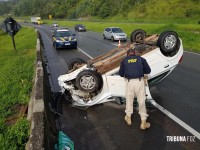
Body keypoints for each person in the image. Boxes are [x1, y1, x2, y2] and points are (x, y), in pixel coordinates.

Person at [119, 48, 151, 130]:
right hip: (140, 82)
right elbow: (148, 70)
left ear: (127, 54)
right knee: (141, 101)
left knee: (129, 100)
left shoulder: (124, 60)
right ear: (134, 53)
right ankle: (143, 122)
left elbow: (121, 74)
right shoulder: (141, 59)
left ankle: (128, 118)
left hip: (129, 82)